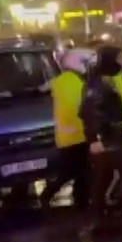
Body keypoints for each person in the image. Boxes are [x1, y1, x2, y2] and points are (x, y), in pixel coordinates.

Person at [79, 46, 122, 219]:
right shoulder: (97, 84)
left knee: (105, 176)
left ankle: (100, 212)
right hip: (107, 138)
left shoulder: (106, 81)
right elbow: (89, 113)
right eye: (119, 58)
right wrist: (95, 138)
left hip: (112, 135)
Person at [43, 48, 93, 209]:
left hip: (70, 136)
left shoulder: (63, 80)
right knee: (74, 171)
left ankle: (81, 201)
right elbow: (77, 108)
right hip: (75, 135)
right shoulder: (73, 82)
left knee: (81, 171)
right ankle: (49, 194)